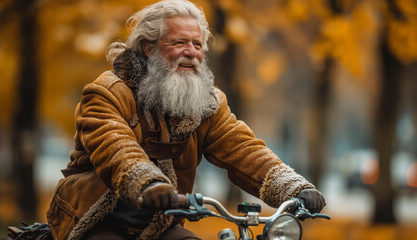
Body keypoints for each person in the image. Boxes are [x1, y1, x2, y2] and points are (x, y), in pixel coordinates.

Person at [46, 0, 326, 239]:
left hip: (159, 223)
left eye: (197, 44)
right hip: (96, 217)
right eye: (179, 42)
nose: (191, 52)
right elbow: (115, 148)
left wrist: (294, 187)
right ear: (149, 48)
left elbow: (244, 150)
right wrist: (147, 183)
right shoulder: (106, 93)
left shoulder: (206, 103)